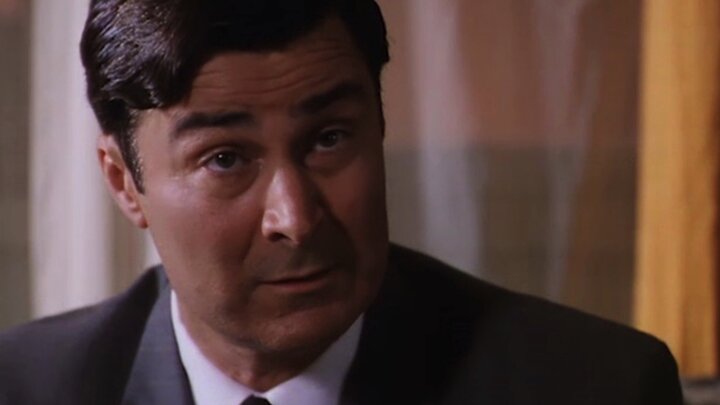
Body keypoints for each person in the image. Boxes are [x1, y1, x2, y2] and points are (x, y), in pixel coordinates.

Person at [0, 0, 683, 404]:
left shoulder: (593, 387)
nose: (295, 218)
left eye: (329, 139)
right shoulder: (23, 388)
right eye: (226, 159)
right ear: (124, 181)